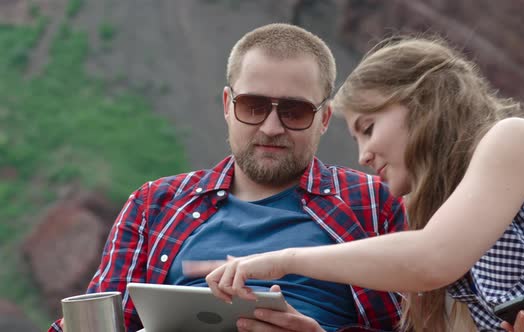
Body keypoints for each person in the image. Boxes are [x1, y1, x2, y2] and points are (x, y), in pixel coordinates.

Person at [204, 36, 524, 332]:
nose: (364, 156)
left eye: (368, 129)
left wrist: (283, 261)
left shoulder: (513, 138)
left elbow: (432, 258)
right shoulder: (439, 213)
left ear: (420, 103)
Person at [47, 24, 407, 332]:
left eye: (295, 111)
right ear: (226, 106)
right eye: (253, 106)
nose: (271, 127)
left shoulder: (377, 202)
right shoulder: (153, 205)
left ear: (325, 118)